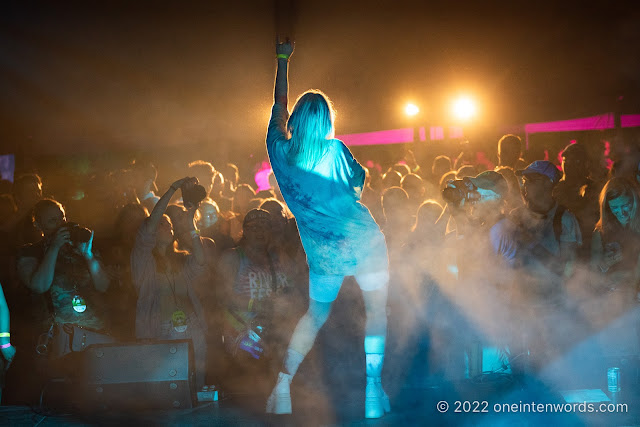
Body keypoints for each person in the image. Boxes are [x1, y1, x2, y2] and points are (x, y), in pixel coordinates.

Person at [264, 39, 390, 418]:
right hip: (365, 242)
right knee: (377, 312)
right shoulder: (336, 150)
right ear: (327, 122)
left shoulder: (278, 149)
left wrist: (283, 59)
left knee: (314, 315)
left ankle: (283, 384)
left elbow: (280, 103)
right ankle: (373, 389)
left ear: (296, 121)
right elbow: (357, 184)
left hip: (323, 252)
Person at [130, 177, 209, 389]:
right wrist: (173, 188)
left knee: (197, 381)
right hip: (160, 328)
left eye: (169, 224)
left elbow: (201, 262)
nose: (166, 226)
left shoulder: (180, 260)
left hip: (192, 324)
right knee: (168, 383)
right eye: (161, 224)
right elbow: (149, 227)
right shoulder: (142, 261)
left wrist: (191, 223)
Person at [591, 178, 640, 302]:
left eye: (625, 205)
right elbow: (592, 272)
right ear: (607, 207)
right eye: (615, 207)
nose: (621, 212)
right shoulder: (601, 231)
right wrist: (604, 264)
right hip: (612, 298)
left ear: (634, 201)